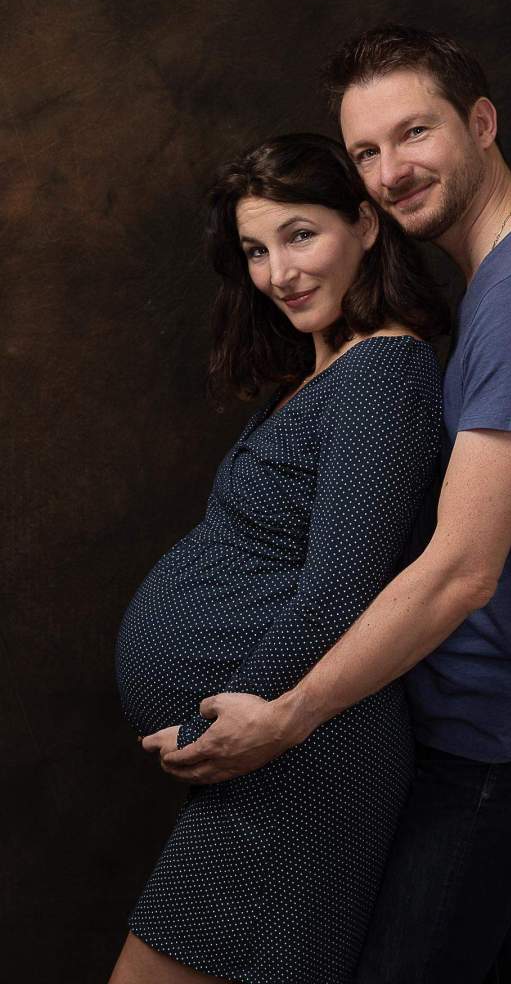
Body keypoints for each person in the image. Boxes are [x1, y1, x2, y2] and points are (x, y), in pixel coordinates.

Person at [153, 26, 511, 982]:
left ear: (482, 123)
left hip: (502, 735)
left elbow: (462, 570)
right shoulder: (509, 281)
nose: (388, 172)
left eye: (413, 134)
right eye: (366, 152)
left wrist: (289, 716)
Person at [110, 131, 448, 983]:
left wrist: (241, 723)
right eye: (258, 250)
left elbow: (341, 590)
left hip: (302, 764)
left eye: (301, 234)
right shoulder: (321, 373)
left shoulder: (385, 372)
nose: (279, 272)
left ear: (366, 225)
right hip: (273, 763)